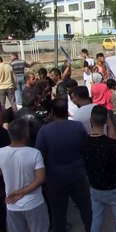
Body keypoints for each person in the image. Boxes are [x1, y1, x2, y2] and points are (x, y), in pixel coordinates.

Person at [35, 98, 92, 232]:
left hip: (55, 179)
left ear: (52, 113)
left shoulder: (44, 131)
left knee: (58, 214)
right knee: (86, 210)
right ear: (67, 111)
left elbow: (39, 156)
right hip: (78, 175)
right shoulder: (78, 127)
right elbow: (86, 149)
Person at [82, 105, 116, 232]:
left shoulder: (84, 143)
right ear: (106, 121)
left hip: (95, 187)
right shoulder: (112, 145)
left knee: (96, 220)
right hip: (114, 188)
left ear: (91, 121)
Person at [0, 119, 49, 232]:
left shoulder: (1, 153)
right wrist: (22, 191)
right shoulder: (34, 153)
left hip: (12, 204)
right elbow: (40, 178)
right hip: (34, 203)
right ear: (26, 134)